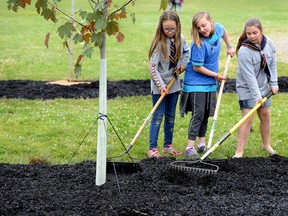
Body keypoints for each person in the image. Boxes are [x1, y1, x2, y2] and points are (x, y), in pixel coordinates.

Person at [180, 11, 235, 158]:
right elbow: (198, 67)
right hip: (195, 82)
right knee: (198, 114)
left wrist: (229, 46)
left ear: (211, 22)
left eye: (204, 25)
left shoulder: (218, 28)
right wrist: (216, 75)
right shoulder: (199, 44)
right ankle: (189, 147)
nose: (202, 29)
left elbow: (224, 32)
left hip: (209, 81)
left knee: (205, 113)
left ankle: (201, 143)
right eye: (198, 27)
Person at [233, 18, 279, 158]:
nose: (252, 36)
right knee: (248, 119)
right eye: (248, 33)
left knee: (265, 116)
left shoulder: (269, 43)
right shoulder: (244, 51)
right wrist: (257, 96)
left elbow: (272, 65)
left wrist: (274, 83)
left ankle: (266, 145)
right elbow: (249, 77)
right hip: (247, 88)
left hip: (264, 86)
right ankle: (239, 152)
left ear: (261, 31)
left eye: (255, 33)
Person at [147, 11, 189, 158]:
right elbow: (152, 68)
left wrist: (183, 65)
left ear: (178, 26)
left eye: (173, 29)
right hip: (160, 87)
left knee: (170, 116)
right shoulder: (159, 44)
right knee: (158, 117)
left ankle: (167, 146)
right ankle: (152, 148)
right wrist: (161, 85)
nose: (170, 32)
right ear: (161, 28)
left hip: (174, 85)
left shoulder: (181, 40)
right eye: (166, 29)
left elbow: (186, 53)